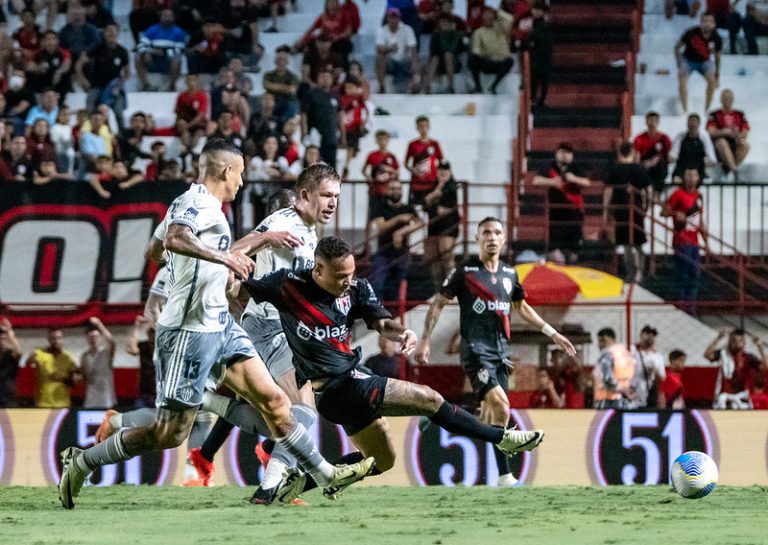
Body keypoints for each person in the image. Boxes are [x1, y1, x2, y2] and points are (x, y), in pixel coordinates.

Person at [57, 140, 374, 509]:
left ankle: (324, 475)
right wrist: (222, 258)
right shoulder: (196, 204)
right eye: (240, 173)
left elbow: (154, 250)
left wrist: (204, 273)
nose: (242, 182)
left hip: (222, 325)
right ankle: (83, 461)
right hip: (189, 331)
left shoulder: (203, 208)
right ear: (226, 170)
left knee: (276, 402)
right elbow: (175, 239)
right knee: (170, 433)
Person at [244, 235, 548, 498]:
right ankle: (501, 438)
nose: (347, 281)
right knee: (428, 397)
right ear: (318, 269)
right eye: (340, 276)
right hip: (337, 388)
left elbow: (382, 323)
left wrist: (402, 332)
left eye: (351, 273)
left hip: (347, 385)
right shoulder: (288, 286)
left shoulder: (355, 289)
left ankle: (297, 486)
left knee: (381, 461)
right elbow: (240, 290)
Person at [191, 167, 360, 502]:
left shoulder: (310, 232)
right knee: (303, 408)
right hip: (268, 328)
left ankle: (208, 402)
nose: (333, 203)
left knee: (277, 416)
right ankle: (272, 485)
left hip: (286, 331)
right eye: (327, 195)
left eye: (336, 197)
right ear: (305, 195)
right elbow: (236, 249)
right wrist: (266, 239)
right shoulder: (283, 221)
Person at [415, 217, 576, 486]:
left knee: (492, 416)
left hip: (501, 351)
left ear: (503, 239)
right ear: (477, 239)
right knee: (501, 405)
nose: (491, 237)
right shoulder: (464, 272)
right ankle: (505, 475)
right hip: (475, 349)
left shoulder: (510, 274)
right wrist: (425, 340)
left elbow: (521, 307)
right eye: (486, 232)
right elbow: (439, 303)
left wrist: (553, 333)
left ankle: (442, 414)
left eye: (497, 233)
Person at [532, 142, 591, 263]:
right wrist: (551, 182)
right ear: (556, 153)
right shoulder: (550, 166)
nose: (565, 155)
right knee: (555, 254)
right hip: (556, 217)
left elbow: (587, 183)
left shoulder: (575, 167)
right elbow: (536, 181)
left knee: (574, 255)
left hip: (574, 216)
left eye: (568, 153)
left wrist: (574, 179)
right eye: (562, 152)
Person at [602, 142, 652, 283]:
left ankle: (630, 273)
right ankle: (639, 274)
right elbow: (649, 190)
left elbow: (608, 191)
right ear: (633, 152)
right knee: (638, 243)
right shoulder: (640, 169)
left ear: (619, 152)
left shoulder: (615, 169)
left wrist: (605, 210)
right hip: (636, 210)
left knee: (626, 244)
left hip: (620, 210)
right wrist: (647, 206)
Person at [661, 167, 709, 313]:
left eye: (694, 175)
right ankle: (681, 307)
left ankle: (691, 307)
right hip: (682, 240)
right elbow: (663, 211)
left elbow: (700, 220)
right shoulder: (677, 194)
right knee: (683, 274)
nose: (691, 178)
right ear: (684, 177)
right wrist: (676, 213)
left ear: (698, 178)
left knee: (694, 275)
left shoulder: (699, 196)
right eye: (688, 175)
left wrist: (706, 241)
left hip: (694, 241)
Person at [369, 177, 424, 302]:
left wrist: (402, 231)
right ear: (387, 190)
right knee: (378, 286)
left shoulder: (408, 208)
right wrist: (398, 219)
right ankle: (378, 312)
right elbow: (381, 228)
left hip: (402, 253)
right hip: (384, 253)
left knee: (400, 287)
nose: (396, 191)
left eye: (398, 189)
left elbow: (420, 223)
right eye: (393, 188)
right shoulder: (380, 207)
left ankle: (396, 312)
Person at [74, 23, 129, 128]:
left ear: (118, 33)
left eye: (113, 31)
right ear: (104, 33)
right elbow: (79, 64)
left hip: (113, 88)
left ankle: (122, 134)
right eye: (108, 31)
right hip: (97, 86)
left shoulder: (122, 52)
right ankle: (89, 131)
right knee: (90, 107)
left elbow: (127, 73)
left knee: (118, 112)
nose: (111, 33)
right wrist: (82, 80)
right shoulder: (97, 48)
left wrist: (119, 85)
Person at [704, 328, 767, 407]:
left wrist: (760, 348)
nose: (737, 343)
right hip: (725, 396)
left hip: (742, 396)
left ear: (744, 343)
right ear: (729, 342)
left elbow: (764, 367)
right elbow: (707, 355)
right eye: (734, 340)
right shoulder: (724, 354)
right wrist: (718, 338)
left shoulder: (748, 357)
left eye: (740, 341)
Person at [423, 159, 460, 291]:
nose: (443, 173)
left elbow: (445, 208)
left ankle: (451, 289)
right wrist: (437, 189)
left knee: (447, 257)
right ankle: (437, 290)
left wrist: (434, 200)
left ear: (450, 171)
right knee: (434, 260)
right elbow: (425, 202)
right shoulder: (434, 185)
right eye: (441, 170)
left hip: (448, 225)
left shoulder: (452, 185)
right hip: (434, 225)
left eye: (445, 170)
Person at [675, 13, 721, 113]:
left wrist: (717, 75)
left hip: (705, 62)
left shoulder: (716, 38)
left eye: (710, 21)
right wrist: (680, 64)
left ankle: (707, 110)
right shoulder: (691, 33)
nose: (707, 24)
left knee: (712, 81)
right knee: (682, 77)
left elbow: (717, 58)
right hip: (688, 61)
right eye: (705, 21)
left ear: (714, 24)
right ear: (700, 23)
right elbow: (677, 48)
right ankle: (684, 109)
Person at [135, 8, 187, 91]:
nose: (167, 18)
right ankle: (146, 85)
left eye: (170, 16)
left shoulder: (179, 32)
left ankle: (172, 86)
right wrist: (146, 52)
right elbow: (141, 45)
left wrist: (164, 52)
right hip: (153, 60)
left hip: (169, 61)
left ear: (173, 18)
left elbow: (180, 50)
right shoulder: (152, 30)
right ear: (160, 17)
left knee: (177, 59)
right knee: (138, 56)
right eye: (165, 16)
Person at [26, 327, 78, 409]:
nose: (57, 341)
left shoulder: (67, 357)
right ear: (49, 340)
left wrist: (63, 378)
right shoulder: (40, 353)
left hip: (63, 403)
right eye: (54, 338)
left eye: (59, 338)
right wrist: (30, 357)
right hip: (43, 403)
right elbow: (28, 364)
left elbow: (76, 379)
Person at [706, 89, 750, 180]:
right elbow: (711, 132)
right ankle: (734, 171)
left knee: (745, 145)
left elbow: (745, 132)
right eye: (725, 98)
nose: (727, 100)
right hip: (718, 147)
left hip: (734, 143)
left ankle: (727, 169)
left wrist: (738, 136)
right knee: (722, 142)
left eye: (729, 98)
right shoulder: (714, 114)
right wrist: (725, 132)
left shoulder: (740, 114)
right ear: (721, 99)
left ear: (733, 99)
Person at [469, 6, 514, 94]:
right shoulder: (478, 32)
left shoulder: (501, 28)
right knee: (472, 59)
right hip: (487, 61)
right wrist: (485, 54)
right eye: (485, 15)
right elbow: (476, 50)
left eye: (489, 14)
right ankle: (478, 86)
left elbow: (510, 19)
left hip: (500, 62)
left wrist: (497, 12)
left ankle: (493, 86)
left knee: (510, 61)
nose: (487, 17)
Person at [301, 68, 339, 168]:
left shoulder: (335, 95)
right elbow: (304, 115)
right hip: (315, 138)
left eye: (328, 77)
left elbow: (340, 115)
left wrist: (343, 135)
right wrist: (304, 133)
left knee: (331, 169)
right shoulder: (311, 94)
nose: (325, 79)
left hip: (331, 138)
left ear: (332, 79)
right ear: (318, 79)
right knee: (313, 167)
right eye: (322, 77)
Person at [376, 8, 418, 93]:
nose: (393, 19)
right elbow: (380, 48)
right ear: (387, 18)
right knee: (379, 58)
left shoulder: (407, 29)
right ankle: (382, 87)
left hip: (404, 59)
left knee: (416, 61)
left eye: (395, 17)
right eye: (391, 17)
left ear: (399, 18)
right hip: (390, 61)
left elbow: (413, 47)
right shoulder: (382, 30)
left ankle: (415, 86)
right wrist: (390, 49)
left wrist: (414, 62)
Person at [404, 115, 444, 208]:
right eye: (421, 126)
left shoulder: (434, 144)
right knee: (415, 209)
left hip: (432, 184)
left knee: (432, 210)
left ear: (429, 127)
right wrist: (413, 170)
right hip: (417, 184)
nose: (423, 128)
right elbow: (406, 163)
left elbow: (441, 162)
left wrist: (439, 178)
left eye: (425, 126)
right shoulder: (412, 144)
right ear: (417, 128)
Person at [632, 111, 672, 203]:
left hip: (660, 168)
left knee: (660, 162)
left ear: (658, 122)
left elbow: (669, 157)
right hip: (645, 166)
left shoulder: (664, 138)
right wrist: (644, 164)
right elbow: (637, 157)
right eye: (650, 120)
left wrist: (657, 159)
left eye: (654, 120)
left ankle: (657, 192)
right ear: (646, 122)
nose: (652, 123)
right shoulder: (639, 138)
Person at [592, 327, 636, 410]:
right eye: (599, 341)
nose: (600, 344)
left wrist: (622, 390)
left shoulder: (606, 356)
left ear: (613, 340)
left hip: (608, 401)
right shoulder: (626, 354)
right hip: (626, 402)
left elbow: (608, 379)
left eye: (603, 340)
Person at [362, 129, 400, 217]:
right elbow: (363, 170)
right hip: (374, 190)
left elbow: (397, 173)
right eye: (380, 139)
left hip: (388, 191)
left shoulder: (391, 156)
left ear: (388, 141)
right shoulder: (372, 155)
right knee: (373, 215)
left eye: (385, 139)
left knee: (388, 215)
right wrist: (368, 177)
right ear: (376, 141)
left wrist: (390, 170)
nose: (382, 142)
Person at [423, 14, 465, 94]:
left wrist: (445, 35)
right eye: (442, 22)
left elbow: (454, 49)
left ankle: (450, 87)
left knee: (448, 55)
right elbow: (433, 51)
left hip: (453, 62)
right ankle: (428, 86)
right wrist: (442, 34)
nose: (444, 24)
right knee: (435, 58)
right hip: (439, 63)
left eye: (446, 22)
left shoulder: (456, 35)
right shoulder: (435, 35)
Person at [80, 317, 116, 409]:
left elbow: (112, 342)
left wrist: (99, 324)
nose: (93, 339)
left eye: (96, 337)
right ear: (87, 338)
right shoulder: (84, 356)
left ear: (100, 337)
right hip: (91, 400)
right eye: (91, 337)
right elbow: (84, 376)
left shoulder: (106, 352)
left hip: (106, 400)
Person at [670, 113, 717, 182]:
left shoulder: (704, 138)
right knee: (676, 181)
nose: (692, 124)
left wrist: (703, 165)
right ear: (687, 124)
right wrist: (673, 158)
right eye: (690, 122)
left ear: (699, 124)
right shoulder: (680, 137)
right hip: (682, 167)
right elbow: (673, 154)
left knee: (705, 182)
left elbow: (712, 159)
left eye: (695, 122)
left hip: (698, 168)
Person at [631, 325, 666, 409]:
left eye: (653, 334)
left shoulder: (657, 356)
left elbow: (662, 379)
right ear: (641, 334)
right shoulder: (631, 350)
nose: (650, 336)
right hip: (630, 394)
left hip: (648, 396)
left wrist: (655, 371)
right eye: (647, 333)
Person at [262, 45, 300, 122]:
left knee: (292, 104)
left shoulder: (293, 76)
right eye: (279, 60)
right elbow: (266, 85)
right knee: (267, 99)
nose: (281, 63)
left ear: (287, 62)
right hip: (273, 100)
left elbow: (292, 90)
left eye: (283, 60)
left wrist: (274, 86)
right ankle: (266, 122)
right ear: (275, 62)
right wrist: (285, 87)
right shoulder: (268, 74)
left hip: (287, 100)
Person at [174, 74, 209, 153]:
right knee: (184, 134)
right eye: (189, 80)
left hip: (198, 124)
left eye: (193, 80)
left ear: (197, 82)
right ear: (186, 82)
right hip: (185, 122)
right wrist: (179, 123)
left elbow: (200, 115)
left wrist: (189, 125)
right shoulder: (182, 96)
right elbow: (178, 113)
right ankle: (188, 152)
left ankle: (189, 151)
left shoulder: (202, 96)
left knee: (198, 134)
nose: (191, 82)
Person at [528, 0, 552, 107]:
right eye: (534, 9)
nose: (535, 11)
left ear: (543, 12)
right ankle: (532, 98)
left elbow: (546, 41)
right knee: (533, 77)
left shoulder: (546, 26)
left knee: (544, 78)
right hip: (534, 54)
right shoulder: (530, 23)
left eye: (538, 10)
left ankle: (543, 98)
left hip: (544, 54)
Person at [0, 317, 22, 408]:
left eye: (4, 337)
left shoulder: (10, 357)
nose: (2, 340)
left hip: (8, 401)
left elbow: (19, 352)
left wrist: (9, 331)